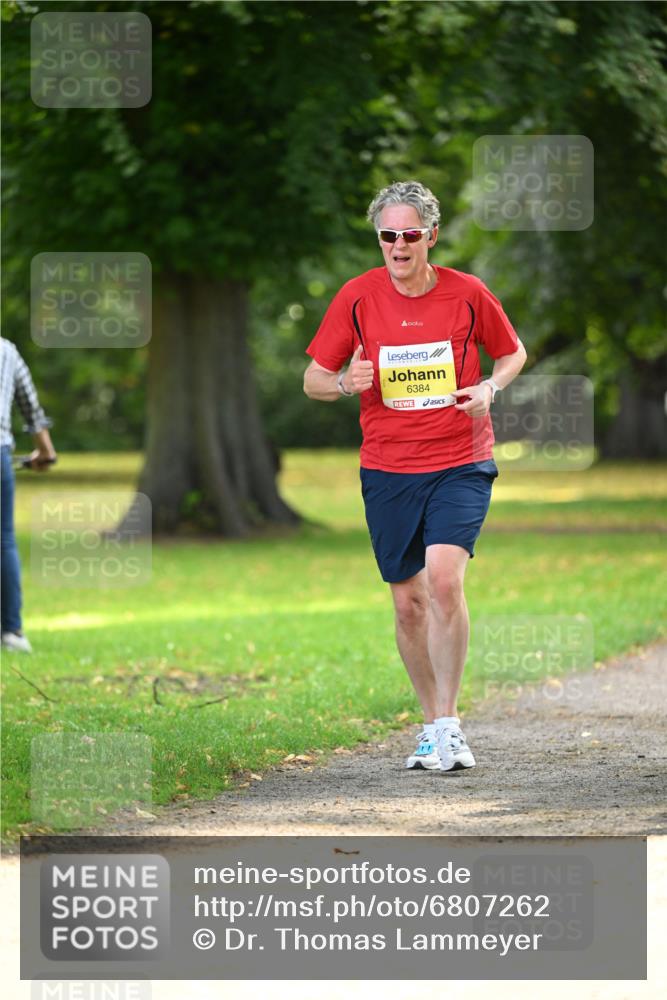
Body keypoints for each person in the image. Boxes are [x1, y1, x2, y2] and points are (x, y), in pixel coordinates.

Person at [303, 180, 527, 772]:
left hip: (460, 458)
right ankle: (429, 724)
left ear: (430, 236)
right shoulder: (357, 297)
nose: (398, 245)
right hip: (387, 467)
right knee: (408, 602)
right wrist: (345, 383)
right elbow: (314, 380)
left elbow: (512, 353)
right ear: (378, 240)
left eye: (408, 234)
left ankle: (451, 726)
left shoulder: (467, 293)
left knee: (445, 581)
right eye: (387, 236)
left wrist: (488, 388)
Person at [0, 337, 57, 652]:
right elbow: (31, 410)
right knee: (3, 540)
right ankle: (12, 632)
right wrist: (45, 452)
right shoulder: (7, 350)